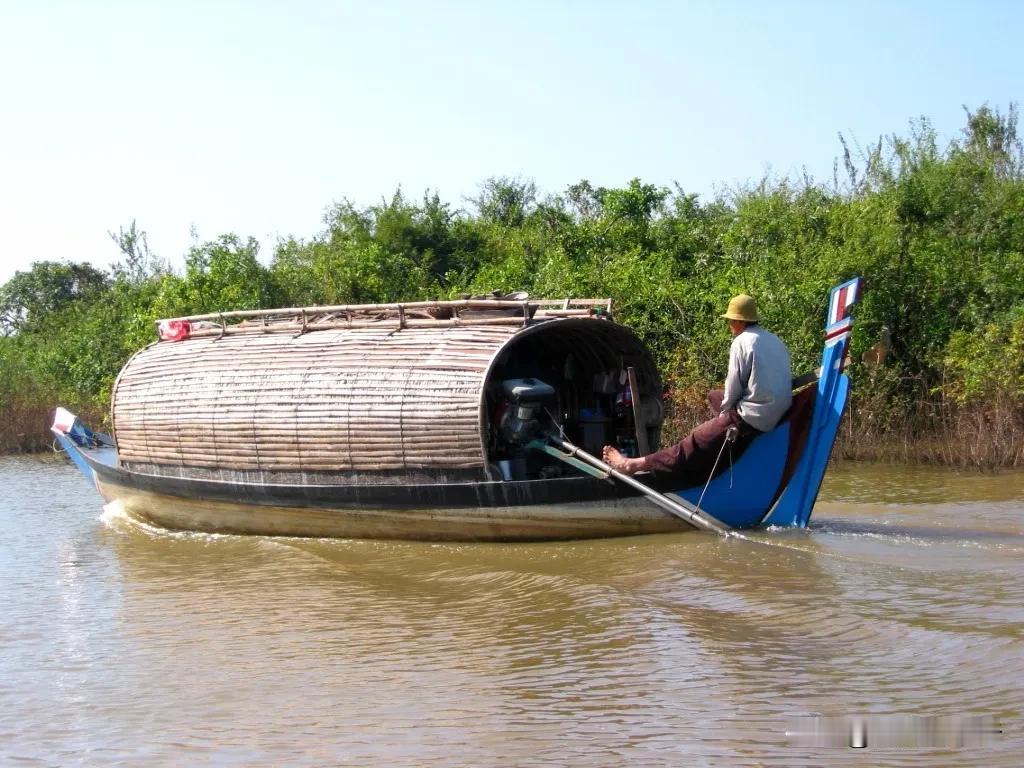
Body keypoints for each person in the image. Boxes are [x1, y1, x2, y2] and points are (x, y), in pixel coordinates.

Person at [602, 293, 792, 485]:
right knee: (713, 396)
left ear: (738, 321)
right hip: (776, 412)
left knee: (692, 442)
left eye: (730, 321)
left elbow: (734, 384)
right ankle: (718, 438)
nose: (729, 326)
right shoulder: (774, 340)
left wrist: (725, 418)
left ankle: (632, 464)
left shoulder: (742, 342)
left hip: (751, 416)